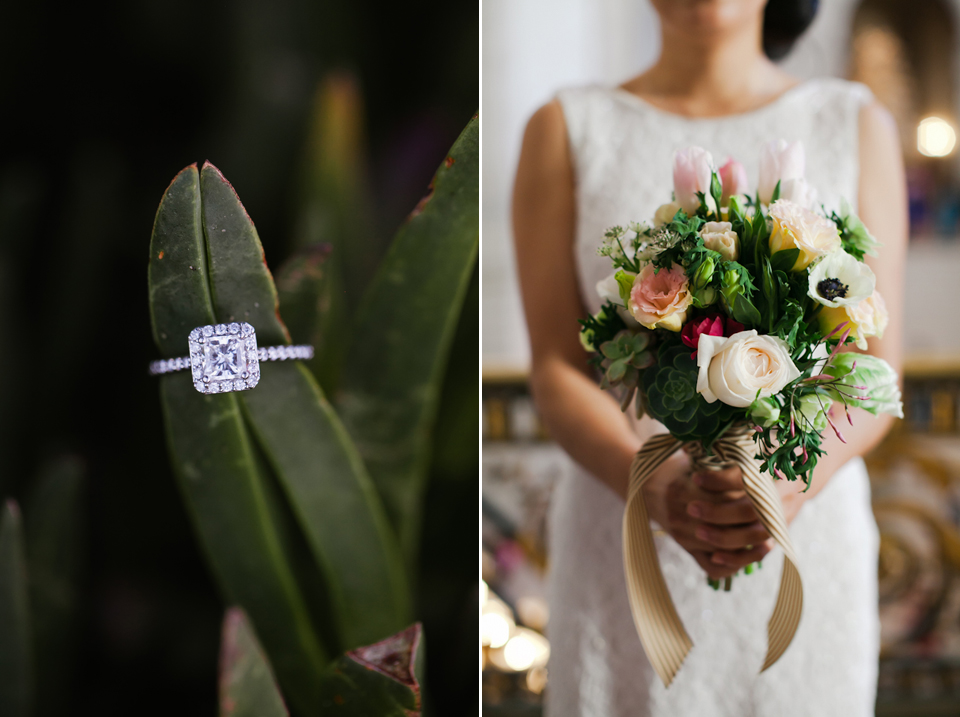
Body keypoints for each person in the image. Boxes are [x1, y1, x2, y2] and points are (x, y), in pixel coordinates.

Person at [511, 1, 906, 715]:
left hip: (802, 539)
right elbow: (556, 366)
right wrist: (655, 486)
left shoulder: (854, 123)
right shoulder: (565, 127)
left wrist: (787, 486)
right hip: (620, 534)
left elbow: (878, 367)